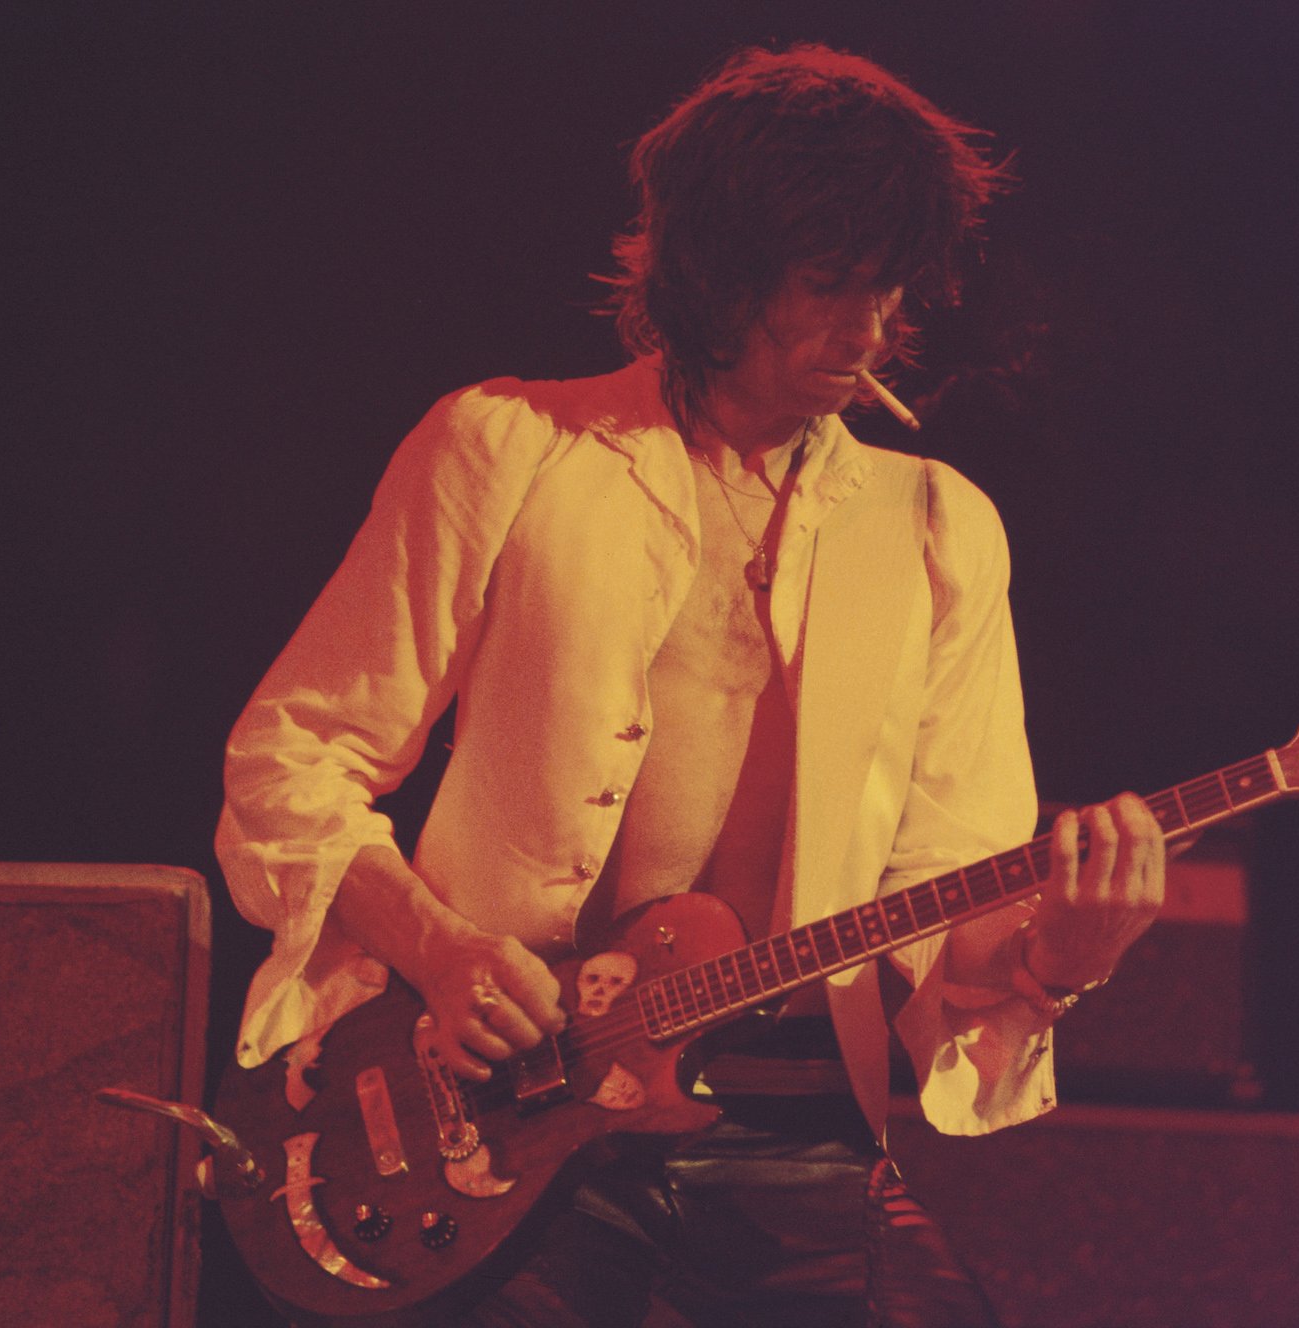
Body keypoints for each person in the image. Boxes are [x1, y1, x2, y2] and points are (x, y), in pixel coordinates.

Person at [216, 43, 1168, 1326]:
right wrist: (438, 948)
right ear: (719, 272)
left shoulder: (940, 528)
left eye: (889, 288)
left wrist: (1060, 956)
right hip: (507, 1102)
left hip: (793, 1129)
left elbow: (945, 890)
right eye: (830, 285)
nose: (872, 327)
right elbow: (290, 756)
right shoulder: (508, 447)